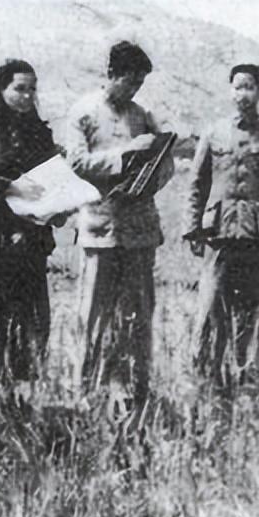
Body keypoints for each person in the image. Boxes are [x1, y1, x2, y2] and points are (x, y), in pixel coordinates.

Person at [66, 41, 174, 411]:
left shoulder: (143, 115)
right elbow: (76, 163)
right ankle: (85, 391)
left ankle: (132, 389)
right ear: (111, 74)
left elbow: (165, 164)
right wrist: (126, 154)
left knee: (138, 313)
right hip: (101, 228)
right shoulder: (83, 112)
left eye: (139, 84)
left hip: (139, 229)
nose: (133, 90)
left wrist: (148, 181)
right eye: (129, 82)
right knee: (93, 314)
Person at [184, 64, 259, 395]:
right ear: (229, 91)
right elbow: (196, 184)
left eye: (249, 87)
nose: (242, 94)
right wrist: (192, 229)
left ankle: (247, 381)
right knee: (210, 308)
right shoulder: (213, 133)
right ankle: (207, 380)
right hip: (218, 236)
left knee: (252, 312)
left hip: (258, 239)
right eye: (237, 87)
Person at [0, 59, 63, 391]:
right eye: (19, 89)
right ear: (1, 90)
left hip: (32, 238)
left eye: (32, 89)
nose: (27, 96)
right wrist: (10, 186)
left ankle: (18, 392)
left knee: (30, 320)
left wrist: (60, 203)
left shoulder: (40, 131)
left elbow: (52, 177)